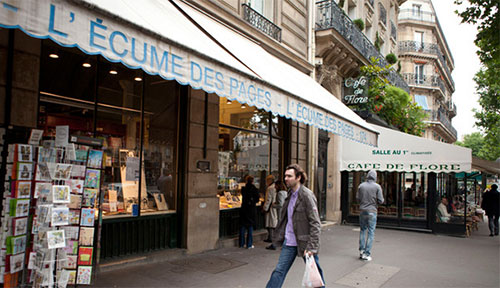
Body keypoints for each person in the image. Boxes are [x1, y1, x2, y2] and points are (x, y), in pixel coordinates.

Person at [266, 164, 324, 288]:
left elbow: (315, 223)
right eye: (285, 176)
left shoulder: (306, 195)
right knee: (279, 271)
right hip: (290, 241)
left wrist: (312, 247)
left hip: (305, 242)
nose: (286, 178)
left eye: (289, 176)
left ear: (298, 177)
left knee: (314, 273)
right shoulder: (289, 194)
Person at [357, 170, 384, 261]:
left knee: (363, 230)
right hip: (372, 210)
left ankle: (361, 250)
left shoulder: (361, 186)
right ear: (375, 177)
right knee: (371, 232)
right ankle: (367, 253)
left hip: (362, 210)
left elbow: (358, 198)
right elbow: (381, 200)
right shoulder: (377, 187)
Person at [239, 175, 259, 248]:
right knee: (250, 227)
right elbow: (257, 200)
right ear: (253, 181)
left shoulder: (243, 189)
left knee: (242, 226)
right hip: (251, 209)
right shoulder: (255, 189)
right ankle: (249, 244)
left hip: (244, 208)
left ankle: (241, 243)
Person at [263, 175, 278, 250]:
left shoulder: (270, 188)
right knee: (272, 223)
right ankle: (270, 237)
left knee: (271, 223)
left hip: (270, 208)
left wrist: (265, 207)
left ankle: (271, 238)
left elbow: (268, 199)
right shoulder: (274, 187)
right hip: (274, 207)